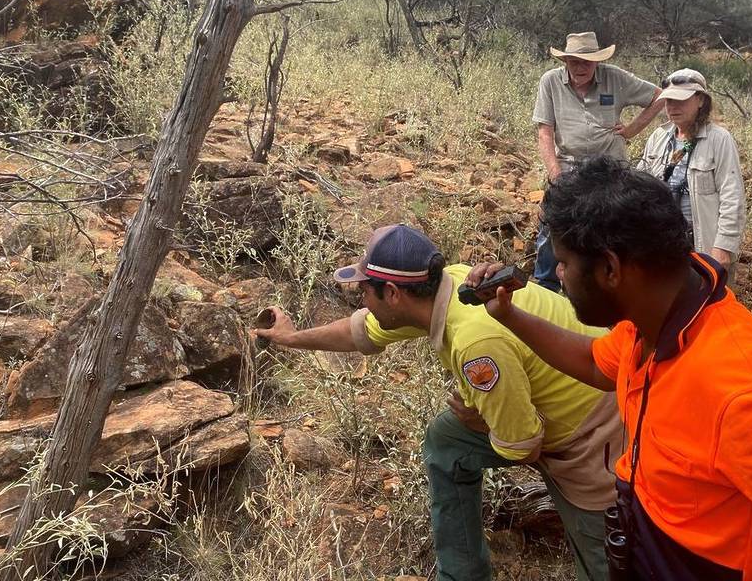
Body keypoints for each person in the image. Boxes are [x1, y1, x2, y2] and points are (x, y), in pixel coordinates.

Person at [465, 158, 752, 581]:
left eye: (564, 264)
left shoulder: (746, 392)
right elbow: (598, 365)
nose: (559, 276)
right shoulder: (651, 319)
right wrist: (509, 317)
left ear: (610, 269)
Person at [258, 224, 623, 581]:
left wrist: (484, 422)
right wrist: (291, 338)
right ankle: (462, 573)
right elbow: (360, 332)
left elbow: (524, 445)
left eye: (363, 292)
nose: (361, 302)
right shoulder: (445, 286)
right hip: (544, 404)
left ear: (391, 294)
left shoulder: (474, 343)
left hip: (595, 430)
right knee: (448, 439)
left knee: (604, 562)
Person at [532, 32, 663, 291]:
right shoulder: (550, 81)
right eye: (574, 61)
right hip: (569, 164)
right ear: (565, 61)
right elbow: (545, 130)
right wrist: (555, 172)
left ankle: (608, 286)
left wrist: (632, 129)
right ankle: (545, 284)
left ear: (597, 62)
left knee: (613, 226)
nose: (580, 67)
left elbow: (659, 96)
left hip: (609, 167)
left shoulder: (615, 78)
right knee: (553, 222)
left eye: (587, 62)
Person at [637, 68, 745, 271]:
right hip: (662, 243)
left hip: (702, 246)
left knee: (708, 302)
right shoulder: (658, 138)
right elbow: (639, 188)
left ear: (701, 101)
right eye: (669, 101)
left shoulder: (719, 139)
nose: (673, 107)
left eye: (681, 100)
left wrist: (723, 247)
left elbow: (733, 197)